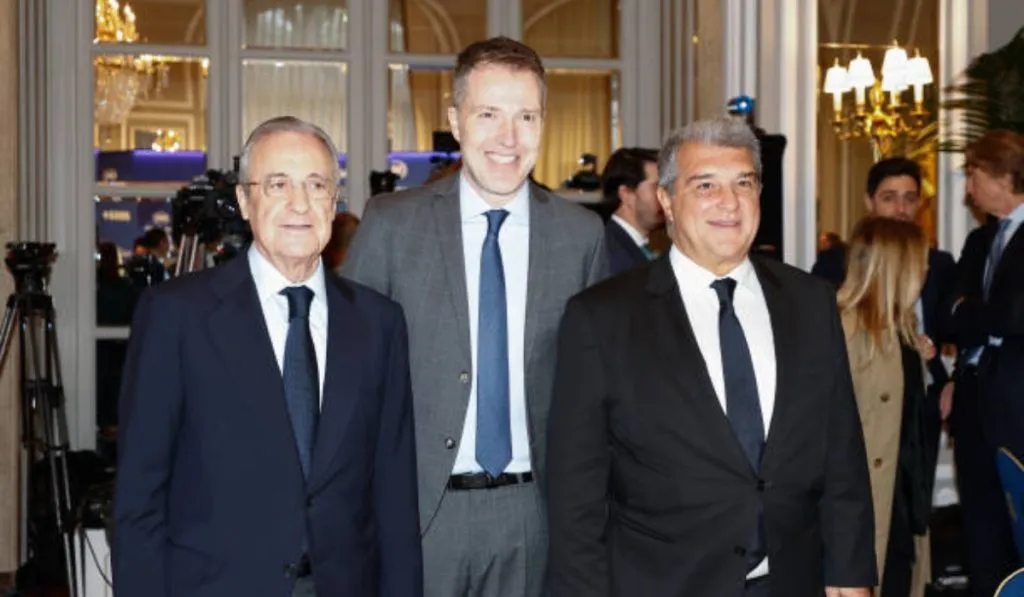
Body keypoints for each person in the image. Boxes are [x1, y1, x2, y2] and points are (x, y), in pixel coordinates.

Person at [547, 116, 876, 597]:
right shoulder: (602, 319)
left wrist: (851, 571)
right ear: (666, 200)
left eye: (744, 183)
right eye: (706, 185)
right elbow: (576, 494)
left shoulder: (810, 302)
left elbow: (841, 450)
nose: (729, 201)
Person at [112, 116, 422, 597]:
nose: (299, 203)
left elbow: (395, 498)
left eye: (316, 185)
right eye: (278, 184)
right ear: (244, 200)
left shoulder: (379, 324)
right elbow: (139, 501)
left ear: (334, 202)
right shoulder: (176, 316)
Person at [343, 36, 608, 597]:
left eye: (526, 116)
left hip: (534, 519)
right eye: (489, 114)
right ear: (454, 121)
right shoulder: (392, 226)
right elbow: (351, 382)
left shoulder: (582, 237)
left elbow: (600, 395)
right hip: (419, 515)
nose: (509, 137)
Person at [837, 216, 936, 597]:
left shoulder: (902, 330)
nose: (925, 270)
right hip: (865, 508)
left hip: (901, 500)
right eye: (919, 262)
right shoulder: (844, 331)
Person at [944, 129, 1024, 597]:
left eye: (973, 175)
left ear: (1002, 176)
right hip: (972, 406)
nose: (968, 188)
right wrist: (982, 316)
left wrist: (974, 312)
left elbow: (1014, 316)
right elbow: (948, 315)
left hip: (1017, 410)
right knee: (981, 535)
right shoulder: (979, 241)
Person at [600, 147, 664, 275]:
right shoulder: (611, 254)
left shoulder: (629, 245)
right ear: (626, 194)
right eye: (656, 187)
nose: (665, 196)